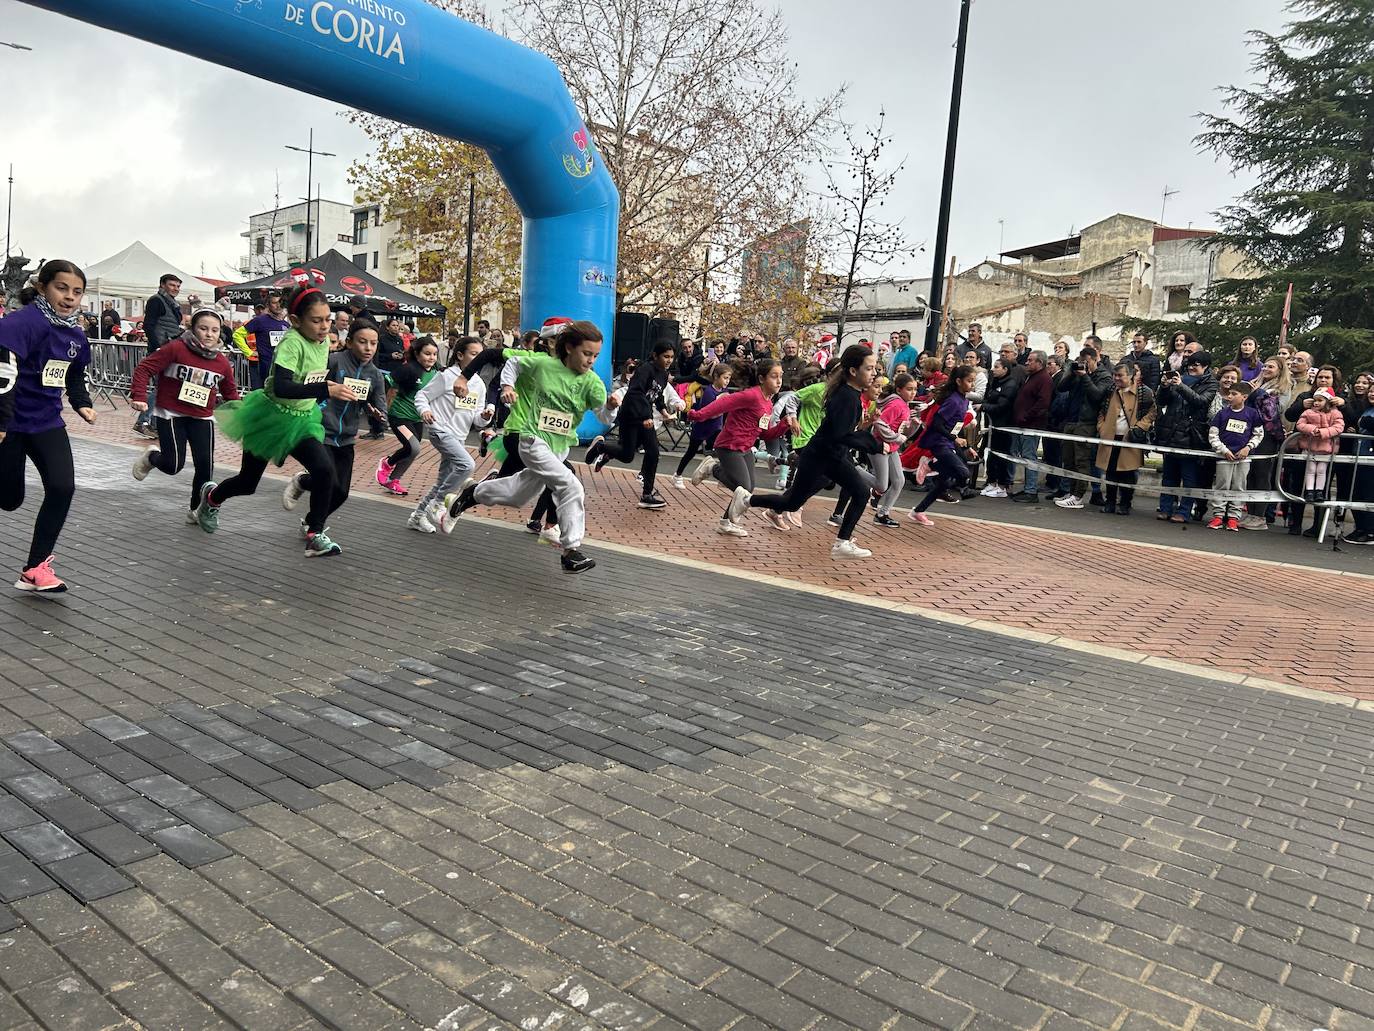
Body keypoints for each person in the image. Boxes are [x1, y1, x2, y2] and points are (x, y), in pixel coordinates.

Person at [443, 321, 613, 573]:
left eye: (595, 355)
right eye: (587, 353)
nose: (591, 360)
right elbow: (512, 363)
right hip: (532, 439)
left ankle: (472, 494)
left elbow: (604, 417)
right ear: (569, 348)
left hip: (559, 448)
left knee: (517, 496)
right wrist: (507, 386)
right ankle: (571, 551)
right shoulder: (543, 364)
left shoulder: (592, 382)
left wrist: (610, 407)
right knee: (571, 485)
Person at [200, 281, 355, 557]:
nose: (324, 327)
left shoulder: (322, 342)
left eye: (328, 320)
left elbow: (309, 378)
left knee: (325, 471)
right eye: (316, 321)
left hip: (302, 420)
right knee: (248, 483)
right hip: (270, 418)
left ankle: (315, 532)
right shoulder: (291, 343)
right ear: (295, 320)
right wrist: (325, 389)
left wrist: (328, 386)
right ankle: (212, 499)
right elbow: (283, 387)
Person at [0, 260, 96, 592]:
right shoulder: (20, 324)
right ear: (42, 287)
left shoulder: (75, 334)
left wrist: (81, 401)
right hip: (10, 421)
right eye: (61, 288)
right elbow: (3, 376)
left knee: (62, 487)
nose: (69, 297)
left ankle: (35, 569)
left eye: (77, 292)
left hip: (46, 422)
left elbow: (74, 373)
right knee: (9, 499)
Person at [742, 346, 878, 558]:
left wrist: (866, 432)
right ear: (853, 371)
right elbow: (841, 435)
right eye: (869, 368)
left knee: (793, 502)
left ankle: (747, 500)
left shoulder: (850, 394)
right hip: (822, 456)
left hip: (827, 455)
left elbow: (843, 432)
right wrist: (875, 445)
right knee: (859, 493)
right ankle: (842, 543)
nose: (874, 373)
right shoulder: (847, 397)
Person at [129, 307, 241, 520]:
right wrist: (139, 396)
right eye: (203, 328)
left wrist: (242, 415)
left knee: (205, 466)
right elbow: (144, 368)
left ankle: (196, 509)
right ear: (192, 328)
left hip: (202, 416)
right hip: (171, 413)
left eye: (215, 330)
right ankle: (151, 457)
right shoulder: (176, 349)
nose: (209, 334)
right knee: (173, 465)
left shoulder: (221, 362)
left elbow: (230, 393)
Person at [286, 318, 391, 536]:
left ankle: (308, 505)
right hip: (320, 429)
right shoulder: (334, 361)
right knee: (327, 480)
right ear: (350, 342)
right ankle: (315, 530)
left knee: (341, 492)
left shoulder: (375, 375)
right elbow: (309, 386)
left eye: (373, 343)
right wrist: (322, 401)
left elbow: (382, 409)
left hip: (346, 436)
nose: (368, 348)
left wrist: (378, 416)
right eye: (362, 342)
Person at [685, 358, 793, 537]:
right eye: (774, 376)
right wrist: (698, 415)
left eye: (781, 376)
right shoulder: (751, 395)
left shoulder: (768, 403)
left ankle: (725, 523)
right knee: (743, 486)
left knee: (747, 489)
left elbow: (764, 434)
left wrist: (783, 425)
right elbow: (723, 403)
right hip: (729, 445)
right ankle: (713, 468)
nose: (779, 381)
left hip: (746, 448)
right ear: (761, 378)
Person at [412, 336, 493, 533]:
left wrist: (485, 417)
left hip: (459, 436)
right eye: (474, 354)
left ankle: (417, 517)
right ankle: (438, 503)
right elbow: (422, 396)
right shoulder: (447, 376)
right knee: (467, 465)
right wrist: (425, 411)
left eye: (480, 355)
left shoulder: (479, 384)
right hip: (440, 430)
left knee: (443, 481)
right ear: (459, 355)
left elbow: (477, 420)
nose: (478, 359)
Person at [586, 340, 677, 509]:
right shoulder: (645, 370)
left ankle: (646, 495)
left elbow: (657, 395)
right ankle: (601, 447)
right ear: (655, 355)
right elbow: (636, 393)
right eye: (666, 356)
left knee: (653, 452)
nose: (669, 360)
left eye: (671, 357)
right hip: (631, 414)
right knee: (627, 456)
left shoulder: (664, 375)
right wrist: (646, 416)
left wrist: (664, 412)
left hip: (646, 417)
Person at [907, 366, 978, 527]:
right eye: (969, 381)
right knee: (963, 472)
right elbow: (937, 424)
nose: (972, 384)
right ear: (958, 381)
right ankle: (931, 465)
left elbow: (956, 425)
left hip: (948, 441)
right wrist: (954, 438)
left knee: (945, 482)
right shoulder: (953, 400)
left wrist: (964, 444)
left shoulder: (963, 399)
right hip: (938, 441)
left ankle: (918, 511)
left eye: (973, 381)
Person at [1154, 350, 1219, 523]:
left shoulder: (1211, 384)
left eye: (1196, 365)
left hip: (1192, 435)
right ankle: (1165, 508)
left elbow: (1200, 401)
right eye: (1189, 364)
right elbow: (1162, 401)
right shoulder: (1180, 376)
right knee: (1169, 475)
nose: (1191, 368)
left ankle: (1184, 511)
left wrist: (1180, 386)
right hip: (1171, 431)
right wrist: (1164, 387)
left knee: (1189, 478)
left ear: (1205, 366)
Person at [377, 336, 440, 497]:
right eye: (427, 354)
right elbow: (387, 385)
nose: (431, 358)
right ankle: (387, 463)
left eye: (434, 354)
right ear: (417, 354)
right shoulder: (408, 369)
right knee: (414, 447)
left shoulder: (437, 372)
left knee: (412, 451)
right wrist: (382, 408)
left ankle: (393, 480)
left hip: (417, 418)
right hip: (399, 415)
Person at [1053, 342, 1113, 510]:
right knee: (1068, 460)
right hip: (1071, 420)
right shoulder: (1077, 373)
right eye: (1081, 362)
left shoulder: (1104, 375)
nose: (1083, 365)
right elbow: (1061, 387)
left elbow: (1097, 396)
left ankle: (1079, 496)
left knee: (1082, 461)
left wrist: (1085, 376)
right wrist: (1072, 373)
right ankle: (1072, 493)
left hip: (1087, 423)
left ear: (1094, 359)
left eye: (1086, 362)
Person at [1094, 360, 1155, 516]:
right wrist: (1102, 427)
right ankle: (1110, 503)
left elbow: (1152, 412)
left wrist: (1140, 427)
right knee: (1110, 472)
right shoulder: (1110, 390)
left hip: (1130, 439)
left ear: (1130, 375)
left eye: (1120, 375)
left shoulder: (1144, 393)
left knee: (1127, 474)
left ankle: (1125, 504)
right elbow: (1102, 410)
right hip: (1110, 437)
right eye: (1115, 375)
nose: (1116, 378)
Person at [1205, 381, 1265, 531]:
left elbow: (1258, 434)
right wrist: (1223, 450)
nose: (1230, 396)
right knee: (1222, 485)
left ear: (1244, 397)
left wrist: (1248, 448)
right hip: (1224, 457)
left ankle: (1233, 517)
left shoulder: (1252, 414)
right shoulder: (1222, 414)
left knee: (1239, 486)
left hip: (1244, 458)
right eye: (1229, 394)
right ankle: (1218, 516)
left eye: (1234, 394)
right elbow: (1213, 435)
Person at [134, 273, 183, 436]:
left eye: (178, 286)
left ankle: (153, 423)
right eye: (172, 285)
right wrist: (156, 347)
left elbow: (172, 326)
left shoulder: (173, 304)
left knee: (164, 386)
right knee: (162, 386)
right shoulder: (157, 300)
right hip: (161, 349)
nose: (175, 288)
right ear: (162, 285)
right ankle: (144, 421)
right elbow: (148, 325)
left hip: (169, 348)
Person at [673, 361, 732, 489]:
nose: (727, 381)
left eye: (729, 378)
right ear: (716, 377)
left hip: (716, 427)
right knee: (691, 452)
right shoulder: (709, 392)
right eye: (725, 378)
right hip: (702, 427)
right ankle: (677, 475)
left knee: (724, 451)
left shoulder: (724, 390)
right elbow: (707, 413)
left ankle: (724, 478)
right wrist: (721, 408)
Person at [870, 373, 919, 526]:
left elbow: (903, 432)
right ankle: (855, 471)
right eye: (909, 389)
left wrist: (914, 425)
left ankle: (883, 514)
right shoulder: (897, 404)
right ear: (899, 390)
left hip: (891, 447)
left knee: (899, 481)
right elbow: (880, 423)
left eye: (915, 389)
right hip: (879, 446)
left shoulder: (904, 405)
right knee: (881, 485)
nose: (913, 393)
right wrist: (897, 438)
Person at [1009, 350, 1051, 503]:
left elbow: (1043, 403)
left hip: (1031, 426)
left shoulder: (1044, 379)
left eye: (1030, 360)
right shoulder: (1031, 377)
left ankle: (1031, 491)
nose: (1027, 362)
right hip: (1022, 424)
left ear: (1039, 363)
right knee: (1022, 456)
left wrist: (1026, 416)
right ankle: (1027, 488)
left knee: (1029, 457)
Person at [1295, 387, 1344, 505]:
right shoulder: (1308, 412)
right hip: (1310, 448)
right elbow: (1300, 424)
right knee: (1310, 470)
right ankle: (1309, 491)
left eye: (1320, 400)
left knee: (1322, 470)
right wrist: (1312, 429)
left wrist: (1323, 432)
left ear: (1328, 401)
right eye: (1315, 400)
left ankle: (1319, 491)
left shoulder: (1335, 413)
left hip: (1326, 448)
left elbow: (1339, 427)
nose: (1316, 403)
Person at [979, 357, 1020, 497]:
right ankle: (992, 482)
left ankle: (1002, 485)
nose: (993, 369)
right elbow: (989, 397)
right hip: (993, 424)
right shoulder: (994, 382)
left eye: (997, 367)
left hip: (1004, 425)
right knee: (992, 454)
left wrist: (984, 407)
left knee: (1001, 456)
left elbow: (1003, 405)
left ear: (1005, 369)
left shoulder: (1010, 385)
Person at [243, 291, 289, 392]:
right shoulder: (260, 320)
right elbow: (237, 335)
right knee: (262, 394)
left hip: (280, 367)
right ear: (268, 305)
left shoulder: (286, 324)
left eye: (280, 302)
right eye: (274, 303)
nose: (278, 305)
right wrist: (249, 352)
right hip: (263, 367)